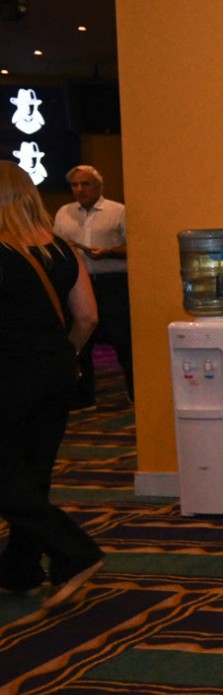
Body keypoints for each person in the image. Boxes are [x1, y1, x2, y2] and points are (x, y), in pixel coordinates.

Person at [0, 161, 105, 605]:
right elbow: (87, 316)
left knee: (7, 474)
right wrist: (66, 353)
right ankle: (20, 568)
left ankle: (73, 549)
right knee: (33, 471)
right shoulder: (63, 249)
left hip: (8, 375)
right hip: (57, 372)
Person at [53, 164, 133, 407]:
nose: (79, 189)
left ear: (98, 186)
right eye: (75, 185)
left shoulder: (117, 211)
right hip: (76, 284)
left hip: (110, 283)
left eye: (85, 184)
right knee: (81, 342)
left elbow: (136, 247)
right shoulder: (63, 213)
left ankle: (136, 392)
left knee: (122, 339)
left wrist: (109, 252)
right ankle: (82, 397)